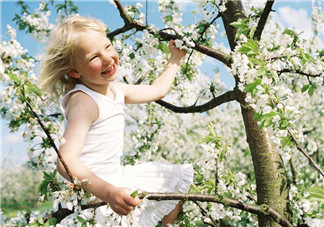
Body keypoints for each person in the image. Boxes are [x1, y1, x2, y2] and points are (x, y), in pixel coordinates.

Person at [38, 15, 193, 226]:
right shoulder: (83, 102)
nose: (108, 59)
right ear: (74, 71)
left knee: (174, 179)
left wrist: (175, 59)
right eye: (94, 58)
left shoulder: (115, 90)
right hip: (94, 190)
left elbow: (157, 90)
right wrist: (108, 192)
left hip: (116, 178)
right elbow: (66, 162)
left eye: (108, 47)